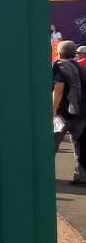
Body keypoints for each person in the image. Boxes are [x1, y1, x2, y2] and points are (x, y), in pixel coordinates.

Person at [52, 40, 86, 184]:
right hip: (81, 114)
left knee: (50, 146)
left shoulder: (59, 66)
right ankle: (82, 178)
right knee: (81, 148)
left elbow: (58, 90)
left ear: (58, 52)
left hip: (62, 114)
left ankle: (43, 176)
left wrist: (52, 112)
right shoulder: (80, 67)